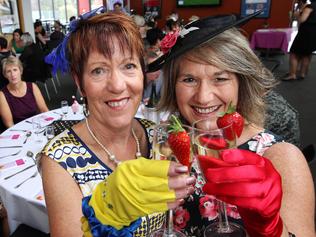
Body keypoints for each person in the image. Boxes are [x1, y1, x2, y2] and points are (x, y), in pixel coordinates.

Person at [148, 14, 315, 237]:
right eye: (189, 79)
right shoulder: (166, 147)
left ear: (241, 82)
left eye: (220, 78)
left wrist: (272, 229)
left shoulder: (283, 157)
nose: (204, 97)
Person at [42, 7, 192, 236]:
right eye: (98, 70)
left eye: (128, 66)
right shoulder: (60, 160)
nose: (118, 85)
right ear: (79, 82)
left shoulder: (157, 136)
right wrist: (105, 212)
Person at [0, 56, 48, 128]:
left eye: (15, 70)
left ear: (21, 71)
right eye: (8, 71)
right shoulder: (2, 95)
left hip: (37, 127)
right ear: (5, 75)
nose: (13, 74)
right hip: (18, 132)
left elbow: (44, 110)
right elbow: (9, 124)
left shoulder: (32, 87)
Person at [283, 0, 316, 81]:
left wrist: (297, 15)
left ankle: (292, 74)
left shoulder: (310, 7)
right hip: (314, 32)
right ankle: (302, 74)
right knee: (306, 54)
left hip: (305, 33)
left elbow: (302, 20)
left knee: (293, 53)